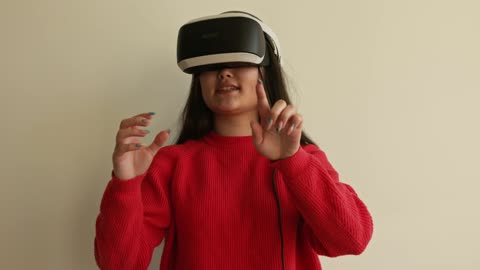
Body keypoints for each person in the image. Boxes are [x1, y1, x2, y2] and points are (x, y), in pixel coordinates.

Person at [94, 11, 373, 270]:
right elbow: (120, 264)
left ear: (266, 71)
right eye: (211, 65)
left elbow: (352, 240)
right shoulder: (171, 164)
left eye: (238, 61)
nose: (224, 72)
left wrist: (293, 162)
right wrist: (125, 184)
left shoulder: (303, 160)